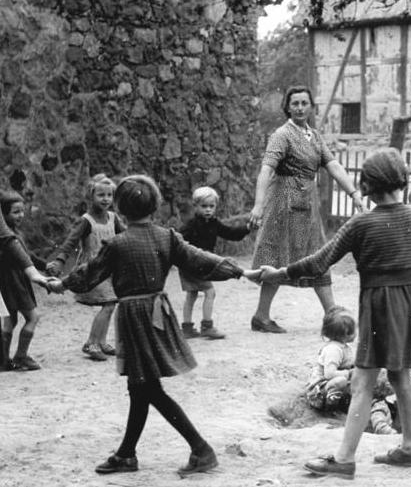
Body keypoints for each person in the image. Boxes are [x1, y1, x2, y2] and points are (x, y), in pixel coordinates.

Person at [259, 148, 411, 480]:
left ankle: (344, 459)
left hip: (379, 307)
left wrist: (279, 272)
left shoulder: (360, 223)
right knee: (404, 376)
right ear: (402, 180)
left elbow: (318, 262)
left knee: (363, 382)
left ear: (366, 186)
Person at [47, 175, 264, 476]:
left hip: (135, 318)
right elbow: (202, 260)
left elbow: (88, 274)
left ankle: (201, 449)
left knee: (147, 387)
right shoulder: (167, 236)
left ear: (121, 209)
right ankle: (127, 454)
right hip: (158, 314)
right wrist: (241, 271)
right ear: (156, 205)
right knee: (140, 387)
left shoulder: (118, 243)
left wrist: (60, 283)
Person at [247, 85, 364, 334]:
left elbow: (333, 166)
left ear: (311, 107)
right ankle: (262, 316)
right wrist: (258, 205)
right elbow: (266, 170)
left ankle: (331, 314)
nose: (300, 108)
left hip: (307, 205)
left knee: (316, 256)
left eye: (304, 103)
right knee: (277, 257)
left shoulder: (315, 136)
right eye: (295, 103)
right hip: (282, 204)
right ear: (287, 107)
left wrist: (353, 193)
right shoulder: (281, 134)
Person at [47, 174, 125, 362]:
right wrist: (59, 260)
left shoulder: (113, 218)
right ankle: (91, 342)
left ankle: (102, 341)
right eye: (101, 195)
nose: (106, 199)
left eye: (109, 195)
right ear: (91, 196)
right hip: (92, 268)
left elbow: (126, 236)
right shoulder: (86, 221)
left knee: (111, 304)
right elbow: (70, 242)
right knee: (108, 304)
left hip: (109, 268)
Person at [178, 186, 251, 340]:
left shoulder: (214, 223)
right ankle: (207, 327)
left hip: (203, 265)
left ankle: (187, 328)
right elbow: (178, 241)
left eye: (212, 206)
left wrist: (247, 228)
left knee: (192, 294)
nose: (208, 210)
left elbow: (231, 233)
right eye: (204, 206)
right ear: (195, 206)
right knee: (210, 292)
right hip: (192, 264)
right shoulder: (190, 226)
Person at [0, 195, 53, 371]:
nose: (20, 215)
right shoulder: (7, 236)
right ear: (3, 213)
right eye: (15, 212)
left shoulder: (16, 233)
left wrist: (45, 265)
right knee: (33, 317)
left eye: (22, 211)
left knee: (11, 321)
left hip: (13, 282)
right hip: (14, 282)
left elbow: (27, 256)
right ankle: (21, 356)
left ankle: (3, 360)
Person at [306, 308, 356, 412]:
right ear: (346, 333)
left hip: (331, 383)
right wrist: (349, 373)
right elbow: (329, 374)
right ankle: (330, 407)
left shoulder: (343, 346)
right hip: (319, 389)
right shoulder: (334, 350)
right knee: (341, 381)